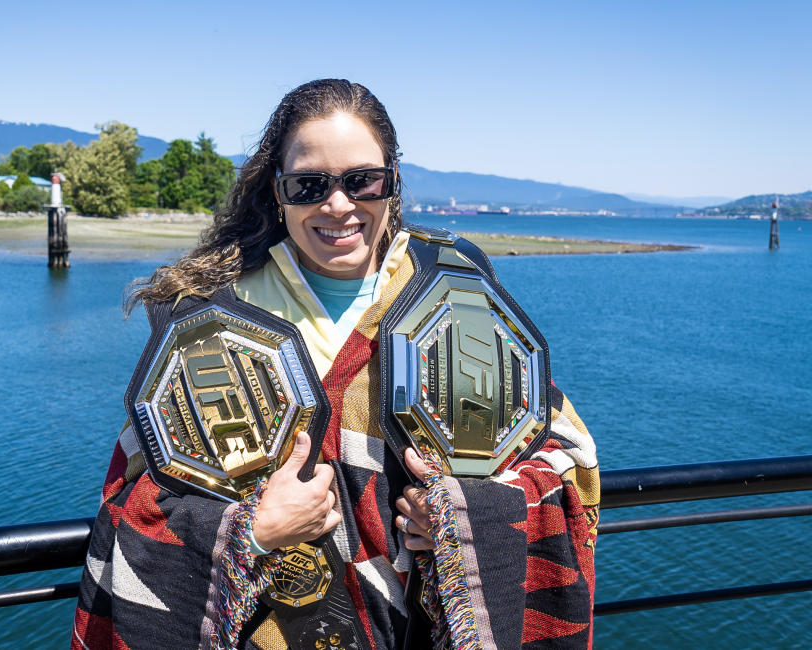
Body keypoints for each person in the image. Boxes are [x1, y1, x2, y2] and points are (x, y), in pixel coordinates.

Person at [71, 79, 599, 650]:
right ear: (279, 192)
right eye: (310, 185)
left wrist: (459, 522)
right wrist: (252, 533)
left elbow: (563, 452)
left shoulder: (459, 294)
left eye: (362, 180)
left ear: (391, 184)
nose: (339, 205)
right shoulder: (208, 313)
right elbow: (136, 495)